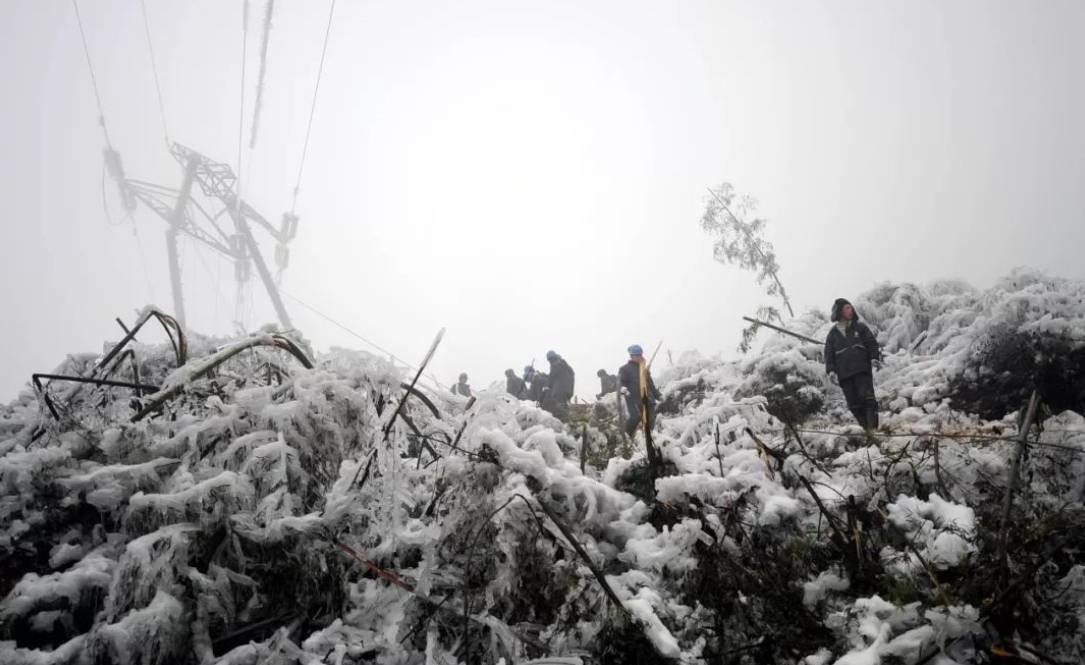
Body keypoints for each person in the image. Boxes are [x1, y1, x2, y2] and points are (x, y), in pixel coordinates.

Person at [824, 298, 882, 430]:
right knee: (854, 405)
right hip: (845, 375)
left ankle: (873, 430)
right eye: (846, 308)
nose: (850, 310)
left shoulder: (860, 327)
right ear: (839, 311)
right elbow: (829, 353)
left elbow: (871, 343)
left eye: (850, 307)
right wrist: (831, 371)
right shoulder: (832, 334)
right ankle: (866, 429)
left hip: (862, 371)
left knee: (867, 400)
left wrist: (874, 358)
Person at [619, 344, 662, 437]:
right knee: (635, 417)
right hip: (633, 398)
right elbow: (620, 382)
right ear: (632, 356)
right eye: (636, 355)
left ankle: (648, 438)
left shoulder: (644, 369)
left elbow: (650, 384)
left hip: (648, 398)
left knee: (651, 419)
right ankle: (625, 437)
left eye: (640, 355)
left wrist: (658, 395)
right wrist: (623, 389)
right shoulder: (625, 369)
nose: (639, 357)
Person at [546, 350, 575, 419]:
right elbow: (572, 376)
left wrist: (547, 386)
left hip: (559, 391)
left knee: (559, 408)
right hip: (568, 390)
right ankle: (569, 423)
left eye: (550, 360)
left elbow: (551, 378)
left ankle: (564, 423)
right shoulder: (566, 366)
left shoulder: (555, 365)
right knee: (565, 407)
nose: (550, 362)